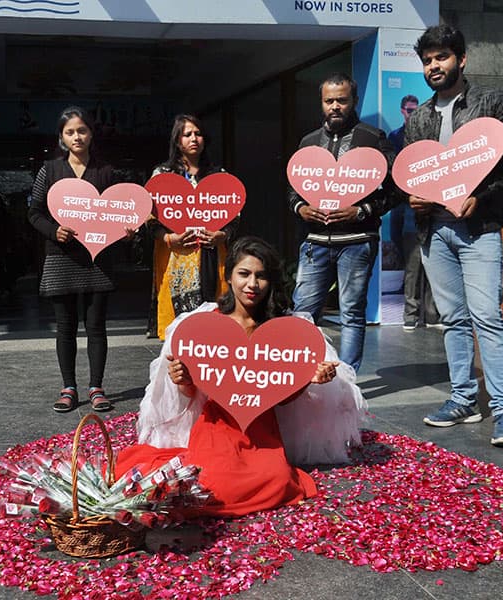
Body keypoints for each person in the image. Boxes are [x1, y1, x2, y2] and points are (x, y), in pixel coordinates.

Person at [114, 236, 366, 517]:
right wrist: (182, 378)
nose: (252, 285)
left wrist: (308, 378)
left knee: (279, 482)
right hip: (215, 427)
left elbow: (282, 399)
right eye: (244, 274)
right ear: (229, 276)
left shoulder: (282, 329)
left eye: (261, 276)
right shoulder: (206, 323)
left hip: (263, 431)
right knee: (214, 485)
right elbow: (192, 394)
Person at [404, 25, 503, 446]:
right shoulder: (420, 117)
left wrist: (483, 195)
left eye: (441, 57)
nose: (434, 66)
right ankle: (463, 400)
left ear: (462, 59)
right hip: (435, 231)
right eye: (427, 60)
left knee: (487, 319)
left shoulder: (493, 103)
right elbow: (413, 174)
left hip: (478, 228)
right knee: (453, 320)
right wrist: (415, 200)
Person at [288, 73, 397, 372]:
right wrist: (300, 208)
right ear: (321, 103)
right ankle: (301, 376)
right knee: (304, 312)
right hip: (315, 242)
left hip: (357, 242)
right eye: (329, 101)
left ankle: (346, 381)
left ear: (354, 101)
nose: (335, 106)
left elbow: (394, 192)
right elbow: (292, 190)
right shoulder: (308, 143)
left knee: (351, 312)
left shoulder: (373, 139)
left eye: (342, 100)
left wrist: (360, 211)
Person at [28, 106, 132, 413]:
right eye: (70, 131)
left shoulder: (107, 172)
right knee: (65, 327)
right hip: (61, 258)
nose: (77, 136)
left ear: (92, 133)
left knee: (97, 326)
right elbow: (33, 212)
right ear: (61, 137)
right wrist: (53, 231)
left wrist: (126, 232)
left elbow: (121, 211)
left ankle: (97, 388)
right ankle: (69, 388)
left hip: (98, 259)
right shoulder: (49, 170)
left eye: (82, 130)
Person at [147, 114, 239, 340]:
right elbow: (149, 220)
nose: (193, 138)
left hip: (211, 256)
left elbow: (234, 217)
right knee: (177, 332)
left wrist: (222, 235)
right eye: (187, 134)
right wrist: (170, 239)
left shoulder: (219, 176)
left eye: (198, 133)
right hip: (175, 258)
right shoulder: (162, 175)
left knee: (213, 328)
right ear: (177, 141)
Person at [388, 95, 440, 330]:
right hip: (405, 206)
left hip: (433, 208)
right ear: (402, 111)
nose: (412, 114)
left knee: (432, 265)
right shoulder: (395, 137)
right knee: (412, 264)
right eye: (409, 110)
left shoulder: (430, 138)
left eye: (415, 110)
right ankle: (411, 315)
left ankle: (431, 315)